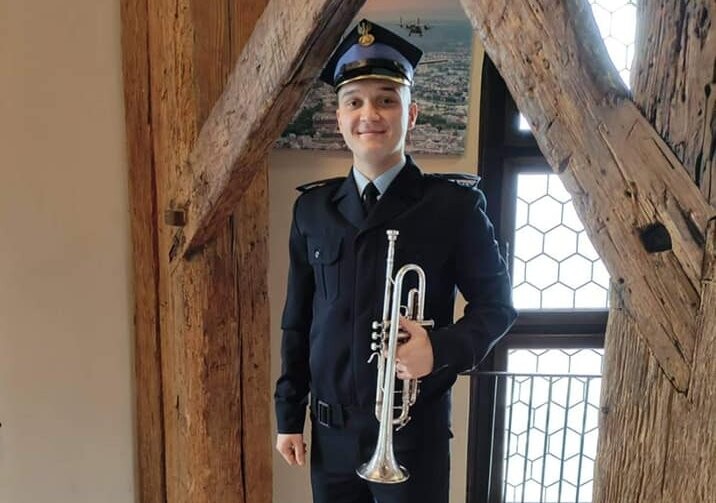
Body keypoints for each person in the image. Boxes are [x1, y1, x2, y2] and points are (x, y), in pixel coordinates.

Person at [274, 19, 516, 503]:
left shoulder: (454, 207)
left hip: (413, 439)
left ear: (412, 114)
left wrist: (438, 350)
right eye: (354, 102)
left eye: (387, 99)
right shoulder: (312, 210)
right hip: (331, 439)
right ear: (339, 117)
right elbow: (297, 322)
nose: (370, 114)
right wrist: (288, 416)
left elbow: (497, 308)